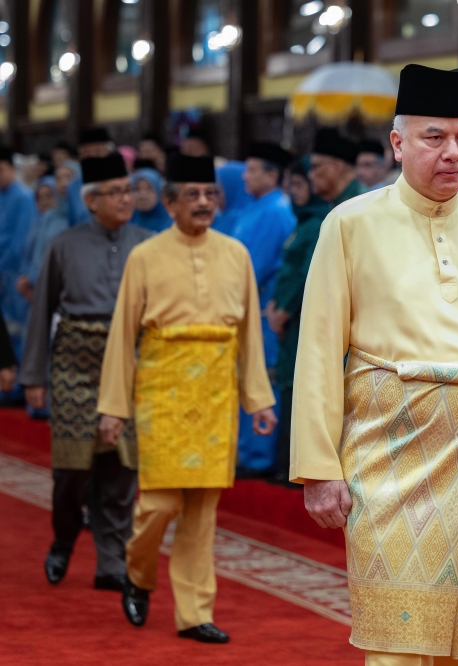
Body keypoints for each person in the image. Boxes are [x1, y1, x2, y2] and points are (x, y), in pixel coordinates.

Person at [290, 64, 458, 665]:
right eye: (433, 137)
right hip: (384, 459)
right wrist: (318, 465)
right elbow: (317, 350)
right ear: (398, 143)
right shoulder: (351, 223)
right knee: (397, 638)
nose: (452, 153)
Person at [97, 153, 277, 644]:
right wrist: (113, 407)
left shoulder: (235, 253)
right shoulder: (146, 256)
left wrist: (258, 399)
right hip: (163, 390)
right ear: (170, 202)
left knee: (201, 511)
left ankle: (195, 613)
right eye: (192, 195)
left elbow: (249, 336)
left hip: (216, 391)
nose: (203, 203)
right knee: (157, 505)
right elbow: (122, 335)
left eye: (210, 195)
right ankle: (138, 573)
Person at [20, 153, 153, 591]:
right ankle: (63, 538)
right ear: (91, 200)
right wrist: (34, 376)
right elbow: (42, 311)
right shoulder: (65, 244)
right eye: (114, 192)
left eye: (128, 190)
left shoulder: (148, 243)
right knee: (72, 469)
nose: (125, 199)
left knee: (121, 468)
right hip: (75, 362)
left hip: (130, 364)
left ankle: (112, 561)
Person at [268, 150, 366, 487]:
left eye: (317, 169)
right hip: (304, 314)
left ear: (339, 165)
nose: (311, 179)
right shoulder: (322, 211)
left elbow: (311, 271)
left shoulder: (354, 206)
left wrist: (284, 307)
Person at [231, 141, 297, 476]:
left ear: (272, 175)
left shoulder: (275, 210)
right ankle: (246, 452)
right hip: (247, 308)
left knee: (261, 377)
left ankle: (258, 455)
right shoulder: (254, 206)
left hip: (261, 311)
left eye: (253, 169)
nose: (245, 176)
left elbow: (249, 267)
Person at [0, 144, 37, 385]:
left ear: (13, 169)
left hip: (12, 271)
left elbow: (21, 241)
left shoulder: (23, 197)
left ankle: (17, 384)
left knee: (14, 329)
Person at [18, 176, 69, 302]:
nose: (44, 201)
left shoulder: (63, 222)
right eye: (39, 198)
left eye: (49, 196)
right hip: (33, 287)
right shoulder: (36, 223)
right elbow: (29, 255)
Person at [309, 128, 366, 206]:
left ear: (337, 167)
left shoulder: (361, 203)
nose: (310, 175)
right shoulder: (338, 202)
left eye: (315, 166)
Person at [212, 161, 252, 236]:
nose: (213, 198)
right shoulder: (218, 219)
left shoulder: (243, 223)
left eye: (217, 192)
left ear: (231, 191)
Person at [130, 166, 173, 233]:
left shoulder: (172, 225)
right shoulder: (128, 222)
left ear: (159, 192)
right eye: (137, 189)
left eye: (149, 189)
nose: (142, 195)